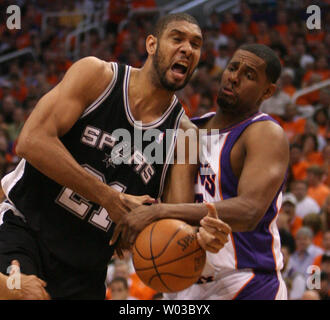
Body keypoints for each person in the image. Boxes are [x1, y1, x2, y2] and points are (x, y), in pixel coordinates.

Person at [0, 13, 228, 299]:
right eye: (177, 38)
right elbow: (31, 141)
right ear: (151, 44)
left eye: (196, 44)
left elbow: (172, 219)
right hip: (26, 228)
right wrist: (109, 198)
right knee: (20, 294)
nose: (187, 49)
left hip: (87, 267)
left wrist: (199, 240)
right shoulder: (98, 76)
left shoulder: (184, 135)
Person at [113, 43, 290, 299]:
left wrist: (160, 211)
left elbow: (249, 211)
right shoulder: (187, 130)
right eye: (232, 68)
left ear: (268, 91)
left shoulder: (264, 132)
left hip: (245, 282)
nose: (234, 77)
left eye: (249, 75)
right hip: (182, 281)